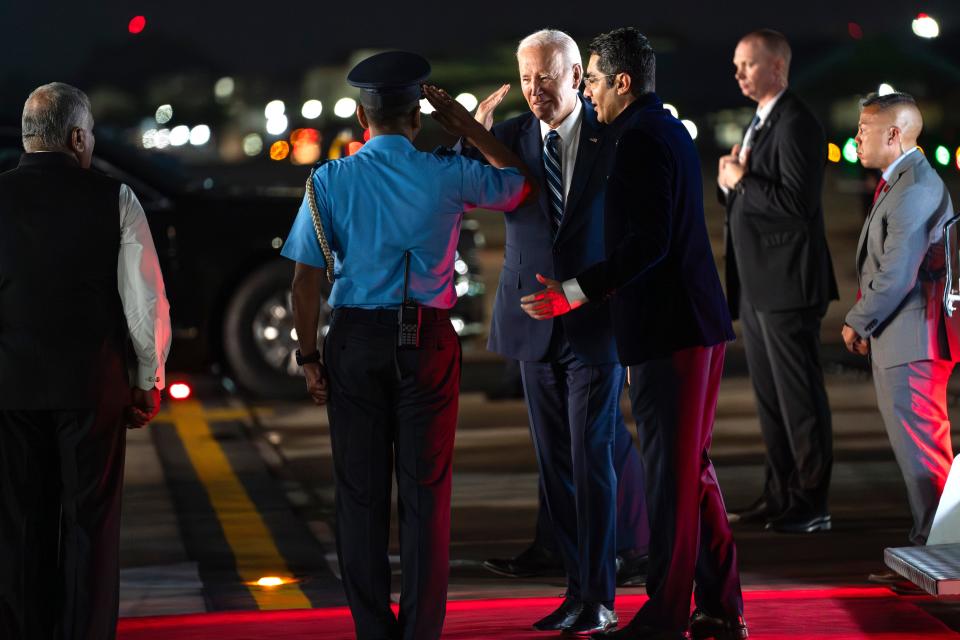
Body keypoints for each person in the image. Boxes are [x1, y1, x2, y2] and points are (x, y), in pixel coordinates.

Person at [281, 52, 535, 640]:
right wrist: (469, 126)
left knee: (359, 496)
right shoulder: (447, 171)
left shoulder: (329, 181)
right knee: (426, 496)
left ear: (361, 117)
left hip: (354, 343)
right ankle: (422, 630)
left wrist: (309, 357)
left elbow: (303, 281)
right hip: (427, 341)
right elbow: (519, 185)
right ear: (418, 118)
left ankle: (374, 628)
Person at [522, 28, 746, 640]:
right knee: (690, 472)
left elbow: (647, 244)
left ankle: (668, 615)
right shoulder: (654, 131)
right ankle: (721, 607)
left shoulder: (642, 138)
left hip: (670, 330)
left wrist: (574, 290)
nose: (586, 90)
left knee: (672, 480)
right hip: (686, 326)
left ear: (623, 82)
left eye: (592, 78)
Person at [464, 29, 649, 633]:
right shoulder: (510, 136)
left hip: (592, 321)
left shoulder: (611, 135)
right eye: (525, 78)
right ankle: (576, 590)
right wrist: (470, 130)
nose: (534, 89)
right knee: (555, 468)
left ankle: (598, 596)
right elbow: (457, 186)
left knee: (592, 460)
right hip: (530, 323)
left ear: (576, 76)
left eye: (546, 77)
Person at [0, 82, 171, 640]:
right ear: (77, 137)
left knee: (19, 526)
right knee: (90, 527)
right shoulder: (114, 198)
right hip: (91, 386)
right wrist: (148, 379)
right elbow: (144, 300)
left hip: (10, 388)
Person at [717, 29, 838, 533]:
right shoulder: (761, 121)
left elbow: (795, 205)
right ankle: (781, 493)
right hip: (759, 285)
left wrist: (740, 181)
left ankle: (811, 502)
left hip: (789, 285)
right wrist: (733, 184)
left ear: (778, 68)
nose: (739, 73)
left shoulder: (796, 123)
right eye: (736, 65)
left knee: (798, 399)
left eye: (748, 63)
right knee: (770, 399)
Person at [843, 92, 958, 568]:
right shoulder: (904, 180)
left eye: (864, 129)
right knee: (920, 454)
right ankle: (930, 549)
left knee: (924, 458)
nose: (856, 138)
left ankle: (941, 556)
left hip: (913, 339)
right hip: (907, 337)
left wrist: (857, 321)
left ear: (894, 135)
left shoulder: (913, 188)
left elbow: (897, 272)